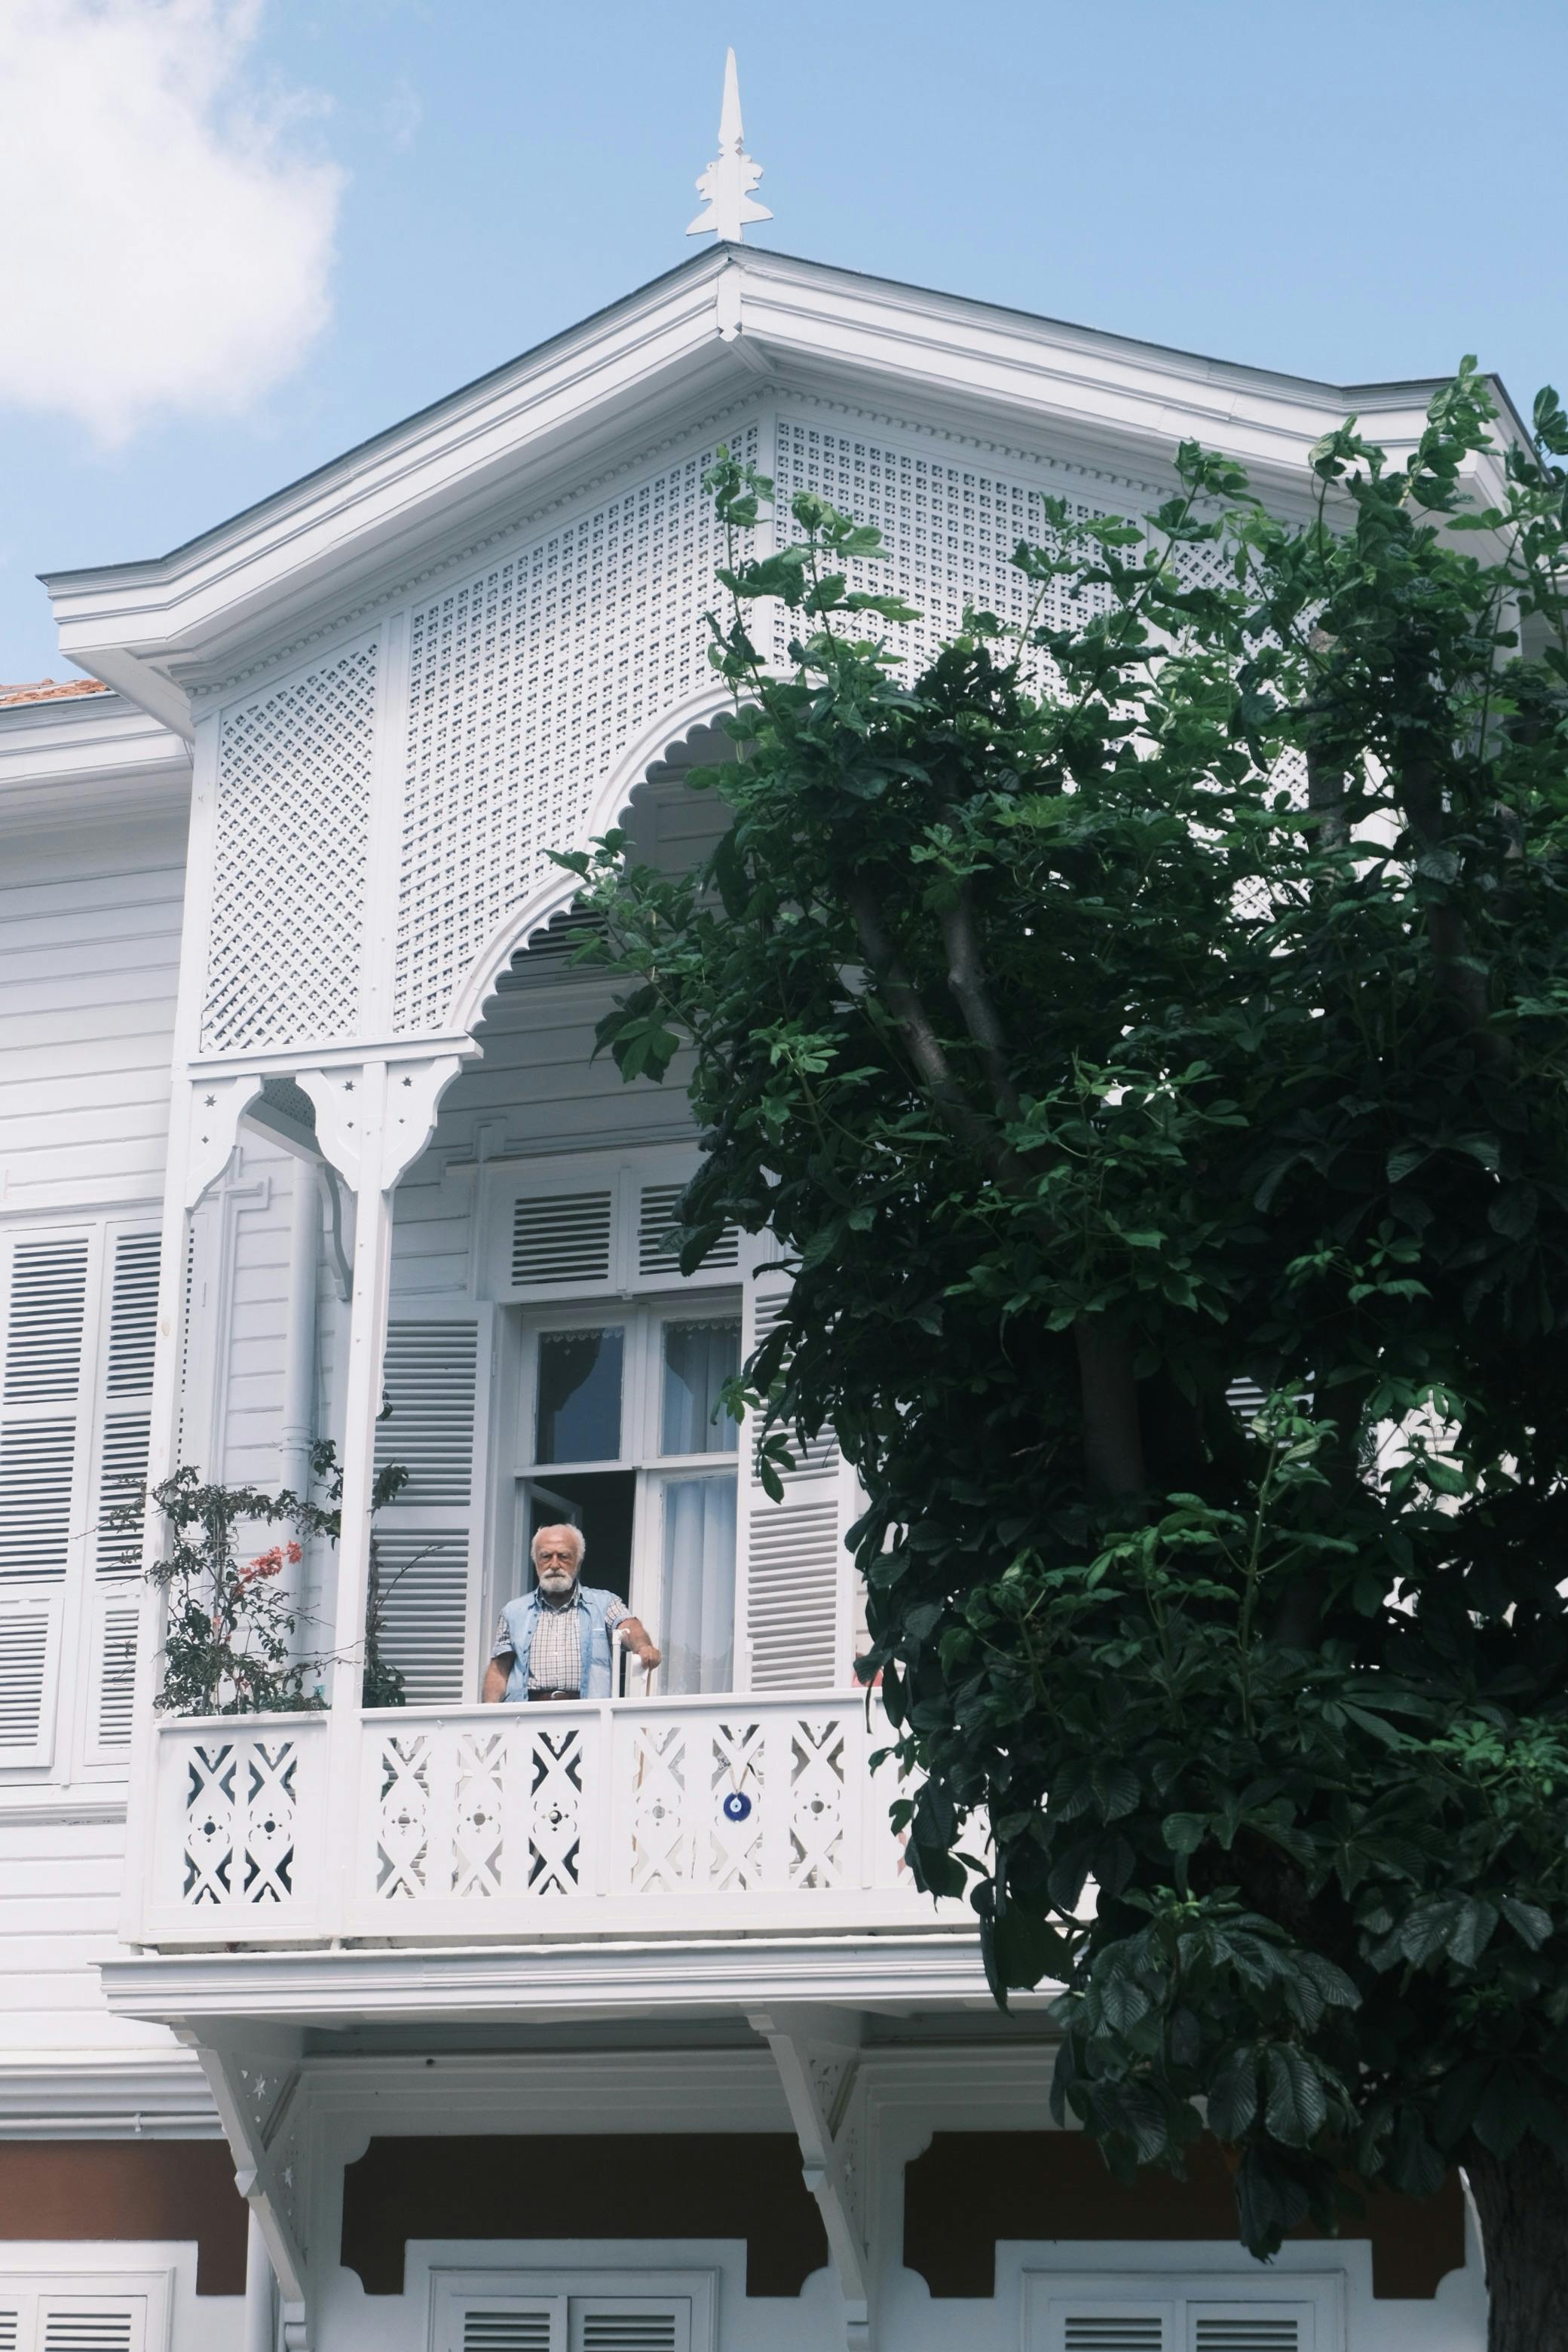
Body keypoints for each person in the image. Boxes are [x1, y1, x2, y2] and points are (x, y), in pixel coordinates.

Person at [481, 1524, 661, 1701]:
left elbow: (629, 1626)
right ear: (536, 1561)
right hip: (527, 1718)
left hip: (587, 1717)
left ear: (578, 1561)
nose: (554, 1565)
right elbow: (499, 1670)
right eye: (546, 1557)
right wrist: (489, 1720)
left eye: (563, 1556)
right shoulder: (513, 1612)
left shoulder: (604, 1603)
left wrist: (642, 1647)